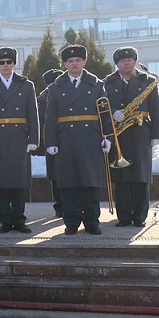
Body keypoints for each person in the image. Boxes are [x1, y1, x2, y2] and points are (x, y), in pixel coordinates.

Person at [44, 43, 112, 235]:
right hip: (66, 138)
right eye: (70, 61)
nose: (74, 64)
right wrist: (50, 142)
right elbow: (50, 117)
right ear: (65, 64)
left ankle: (92, 222)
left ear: (84, 62)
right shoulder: (56, 87)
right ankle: (71, 223)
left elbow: (104, 113)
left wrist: (107, 137)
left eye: (78, 60)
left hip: (91, 137)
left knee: (91, 182)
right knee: (68, 183)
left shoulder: (97, 84)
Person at [0, 47, 39, 234]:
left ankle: (19, 219)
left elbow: (32, 113)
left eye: (9, 62)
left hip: (19, 136)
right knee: (1, 181)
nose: (5, 65)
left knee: (19, 181)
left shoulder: (26, 85)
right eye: (1, 63)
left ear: (14, 63)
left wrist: (33, 138)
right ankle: (5, 220)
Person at [103, 47, 159, 227]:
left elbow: (156, 109)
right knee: (121, 178)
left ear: (136, 61)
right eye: (122, 61)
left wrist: (157, 135)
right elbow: (102, 105)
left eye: (130, 59)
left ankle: (139, 217)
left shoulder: (148, 81)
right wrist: (112, 112)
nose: (126, 62)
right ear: (117, 64)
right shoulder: (108, 81)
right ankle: (124, 217)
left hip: (140, 132)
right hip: (118, 133)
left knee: (140, 176)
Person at [37, 68, 64, 217]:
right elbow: (41, 115)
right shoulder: (42, 98)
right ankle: (59, 205)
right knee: (55, 174)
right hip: (53, 137)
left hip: (71, 137)